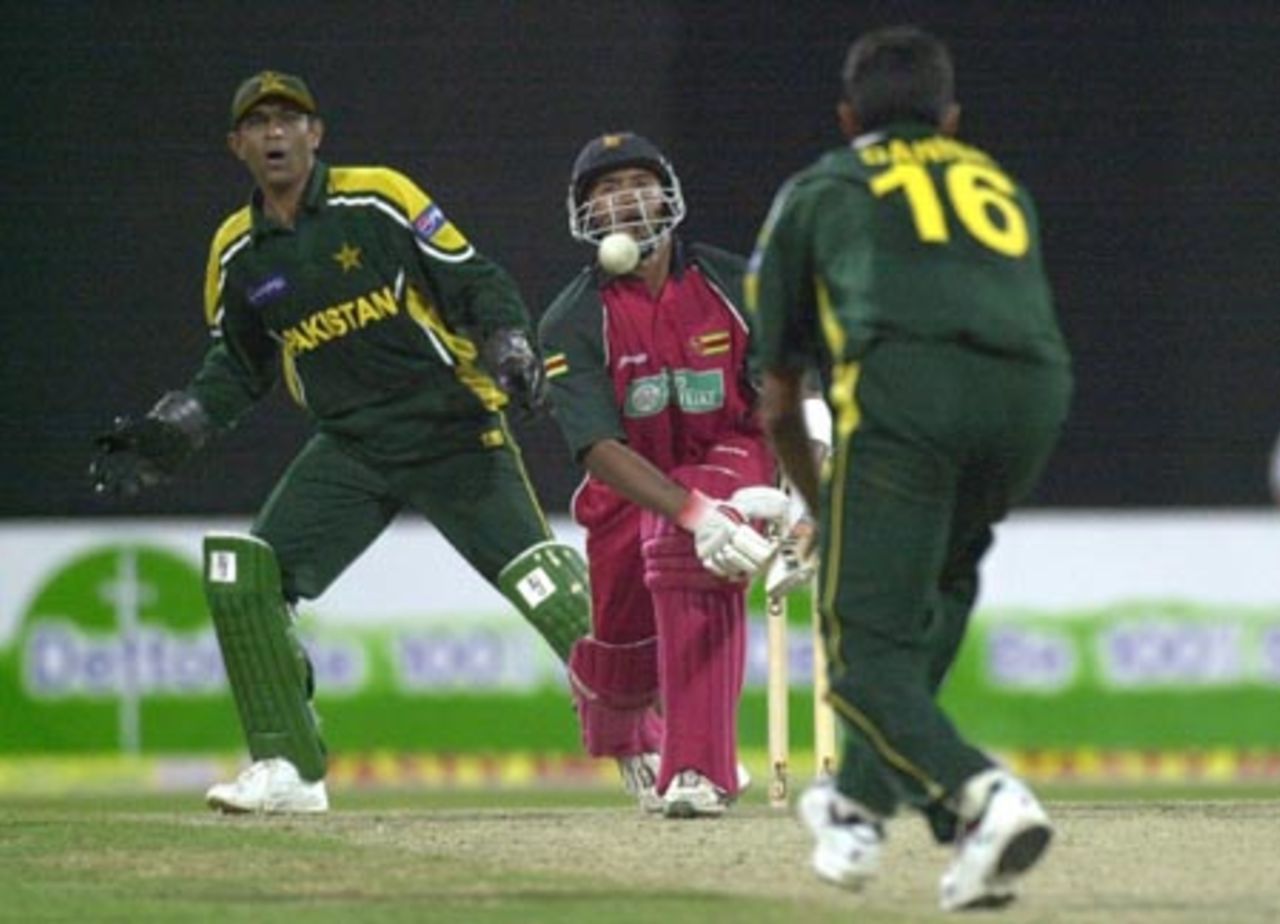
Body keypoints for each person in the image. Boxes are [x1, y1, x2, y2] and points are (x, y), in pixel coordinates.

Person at [89, 70, 591, 814]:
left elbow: (472, 278)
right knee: (243, 575)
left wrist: (509, 342)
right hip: (352, 445)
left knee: (543, 584)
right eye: (257, 124)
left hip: (449, 425)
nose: (275, 134)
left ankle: (655, 743)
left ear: (315, 134)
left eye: (289, 119)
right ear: (237, 146)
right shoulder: (238, 252)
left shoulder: (378, 196)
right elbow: (238, 363)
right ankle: (289, 769)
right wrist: (179, 426)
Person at [748, 27, 1072, 911]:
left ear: (848, 116)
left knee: (857, 643)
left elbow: (777, 395)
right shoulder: (998, 182)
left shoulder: (819, 188)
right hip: (1031, 398)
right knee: (935, 592)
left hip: (912, 396)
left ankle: (980, 801)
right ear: (952, 118)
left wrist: (825, 505)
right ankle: (856, 806)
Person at [538, 132, 785, 818]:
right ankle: (615, 710)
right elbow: (596, 448)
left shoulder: (738, 283)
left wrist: (806, 491)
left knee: (686, 552)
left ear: (666, 195)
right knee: (623, 656)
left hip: (732, 452)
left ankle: (701, 769)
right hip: (628, 483)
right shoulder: (571, 320)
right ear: (583, 212)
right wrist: (693, 511)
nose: (624, 199)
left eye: (638, 182)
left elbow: (787, 391)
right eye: (605, 189)